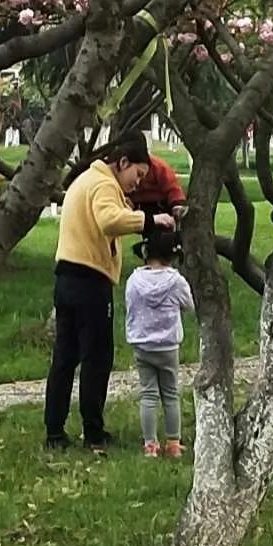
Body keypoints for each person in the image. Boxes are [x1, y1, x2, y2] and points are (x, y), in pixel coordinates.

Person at [44, 135, 166, 452]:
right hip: (90, 281)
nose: (137, 184)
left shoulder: (86, 180)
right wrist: (150, 221)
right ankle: (93, 432)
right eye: (137, 175)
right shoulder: (104, 184)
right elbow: (109, 220)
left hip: (66, 277)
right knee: (96, 358)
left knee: (64, 358)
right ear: (122, 163)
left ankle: (54, 432)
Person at [125, 224, 196, 459]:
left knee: (148, 393)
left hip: (142, 344)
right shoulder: (176, 282)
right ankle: (173, 443)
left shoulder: (134, 280)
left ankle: (150, 445)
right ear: (173, 256)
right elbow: (190, 305)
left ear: (146, 253)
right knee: (170, 393)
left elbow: (130, 307)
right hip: (167, 345)